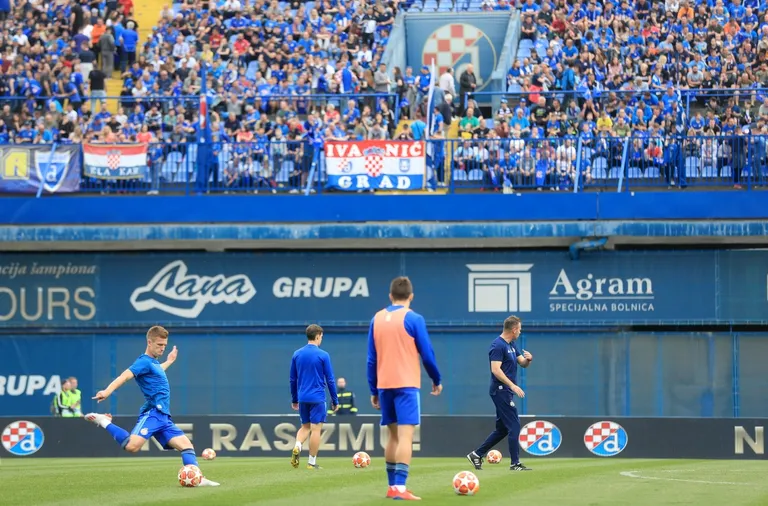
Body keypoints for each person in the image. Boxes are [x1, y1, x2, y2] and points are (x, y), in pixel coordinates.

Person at [84, 326, 219, 487]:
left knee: (187, 446)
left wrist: (169, 361)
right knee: (131, 446)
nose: (162, 348)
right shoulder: (143, 361)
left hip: (163, 417)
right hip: (153, 413)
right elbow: (125, 376)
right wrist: (107, 391)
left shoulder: (153, 363)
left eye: (164, 345)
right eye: (159, 345)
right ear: (149, 342)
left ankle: (199, 479)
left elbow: (158, 370)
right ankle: (104, 421)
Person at [367, 276, 442, 500]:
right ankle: (400, 488)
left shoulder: (377, 318)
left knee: (392, 437)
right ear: (411, 296)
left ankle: (392, 487)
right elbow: (427, 354)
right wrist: (436, 379)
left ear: (390, 296)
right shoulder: (414, 318)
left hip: (384, 385)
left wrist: (373, 390)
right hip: (407, 385)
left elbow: (371, 359)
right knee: (406, 436)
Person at [466, 315, 534, 471]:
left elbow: (522, 363)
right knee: (514, 425)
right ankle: (515, 463)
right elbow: (495, 370)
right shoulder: (498, 345)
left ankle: (477, 454)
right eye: (520, 329)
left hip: (506, 391)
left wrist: (528, 360)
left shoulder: (512, 345)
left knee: (502, 429)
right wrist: (513, 385)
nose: (520, 332)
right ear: (514, 329)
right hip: (500, 390)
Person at [290, 324, 339, 470]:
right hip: (317, 398)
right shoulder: (323, 355)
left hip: (303, 397)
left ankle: (297, 445)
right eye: (321, 337)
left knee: (304, 427)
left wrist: (294, 399)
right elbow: (330, 379)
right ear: (317, 336)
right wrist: (335, 400)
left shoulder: (297, 354)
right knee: (316, 430)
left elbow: (292, 379)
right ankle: (311, 462)